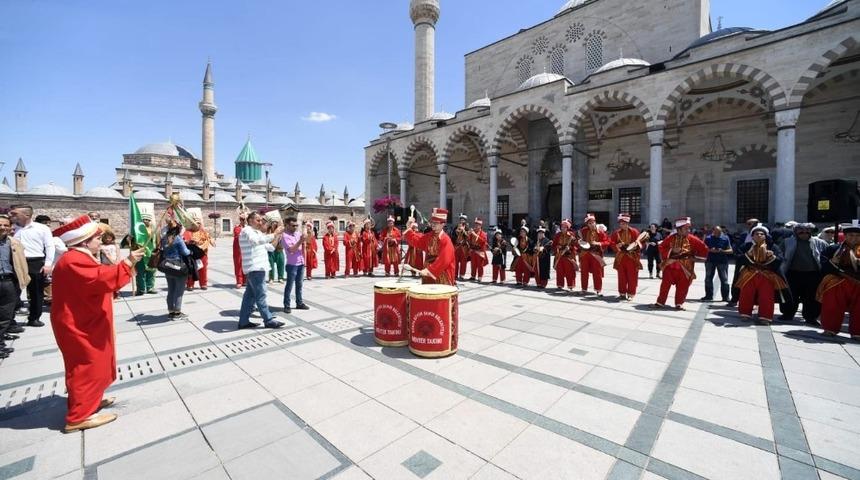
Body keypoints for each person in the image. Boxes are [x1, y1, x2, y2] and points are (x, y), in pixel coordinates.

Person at [51, 215, 144, 432]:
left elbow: (98, 277)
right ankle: (78, 416)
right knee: (86, 366)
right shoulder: (73, 260)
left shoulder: (79, 257)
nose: (100, 242)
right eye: (96, 238)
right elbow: (101, 278)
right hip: (79, 325)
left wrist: (128, 263)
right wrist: (129, 262)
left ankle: (90, 401)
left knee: (97, 363)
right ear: (84, 241)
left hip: (87, 321)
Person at [10, 205, 55, 327]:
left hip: (35, 262)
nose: (11, 215)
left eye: (14, 214)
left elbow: (50, 245)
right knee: (12, 292)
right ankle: (10, 320)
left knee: (36, 292)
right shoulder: (10, 227)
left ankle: (34, 317)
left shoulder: (42, 228)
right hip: (15, 261)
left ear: (26, 215)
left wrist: (48, 264)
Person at [238, 212, 284, 329]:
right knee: (261, 295)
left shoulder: (257, 233)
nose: (261, 223)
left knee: (250, 296)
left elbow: (271, 247)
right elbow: (256, 241)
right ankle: (268, 320)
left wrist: (277, 235)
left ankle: (243, 321)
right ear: (250, 220)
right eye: (258, 220)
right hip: (255, 268)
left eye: (261, 220)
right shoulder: (247, 231)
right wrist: (274, 233)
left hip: (259, 268)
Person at [735, 225, 789, 324]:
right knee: (746, 294)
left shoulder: (773, 247)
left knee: (767, 296)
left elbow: (780, 259)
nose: (759, 235)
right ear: (752, 236)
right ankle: (745, 314)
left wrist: (772, 256)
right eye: (756, 234)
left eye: (762, 234)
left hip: (767, 275)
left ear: (766, 236)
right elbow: (738, 258)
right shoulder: (746, 246)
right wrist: (748, 254)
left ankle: (765, 317)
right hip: (749, 274)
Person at [816, 221, 860, 340]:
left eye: (857, 236)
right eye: (851, 235)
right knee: (832, 304)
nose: (854, 238)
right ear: (845, 236)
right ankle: (830, 328)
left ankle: (857, 332)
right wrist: (833, 262)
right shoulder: (834, 249)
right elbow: (824, 263)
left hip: (858, 283)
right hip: (837, 280)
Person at [655, 217, 709, 310]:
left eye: (689, 228)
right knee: (665, 285)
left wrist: (695, 258)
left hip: (685, 268)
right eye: (686, 228)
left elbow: (704, 248)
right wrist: (672, 250)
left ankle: (679, 303)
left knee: (683, 286)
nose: (688, 230)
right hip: (670, 266)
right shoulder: (671, 238)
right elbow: (661, 247)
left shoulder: (692, 239)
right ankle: (660, 302)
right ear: (679, 229)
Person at [779, 222, 828, 325]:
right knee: (790, 295)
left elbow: (826, 257)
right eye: (801, 231)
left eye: (807, 231)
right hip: (793, 273)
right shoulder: (787, 242)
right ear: (796, 232)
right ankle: (787, 314)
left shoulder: (820, 243)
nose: (804, 233)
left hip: (813, 274)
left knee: (811, 297)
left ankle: (811, 317)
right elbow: (780, 255)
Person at [0, 215, 30, 359]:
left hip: (8, 282)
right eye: (0, 225)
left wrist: (23, 279)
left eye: (6, 225)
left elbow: (21, 262)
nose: (3, 228)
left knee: (6, 314)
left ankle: (1, 340)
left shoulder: (13, 243)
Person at [404, 208, 456, 285]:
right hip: (428, 272)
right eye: (432, 222)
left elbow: (444, 260)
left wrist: (430, 270)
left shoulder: (446, 240)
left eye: (436, 222)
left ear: (443, 224)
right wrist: (408, 227)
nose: (433, 224)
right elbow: (417, 240)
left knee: (439, 295)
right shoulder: (429, 236)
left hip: (441, 274)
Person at [160, 221, 191, 319]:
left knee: (171, 290)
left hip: (167, 266)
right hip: (178, 267)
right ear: (178, 229)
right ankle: (177, 312)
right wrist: (191, 250)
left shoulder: (164, 239)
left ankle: (171, 311)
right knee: (179, 291)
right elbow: (185, 252)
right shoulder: (178, 239)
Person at [609, 214, 642, 301]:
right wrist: (617, 246)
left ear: (628, 223)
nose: (622, 225)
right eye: (620, 223)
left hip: (632, 257)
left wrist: (633, 247)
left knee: (632, 276)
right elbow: (611, 242)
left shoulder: (634, 231)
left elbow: (640, 243)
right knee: (621, 276)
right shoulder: (616, 233)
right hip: (621, 257)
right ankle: (622, 293)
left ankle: (631, 294)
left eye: (623, 223)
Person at [282, 217, 311, 312]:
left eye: (296, 225)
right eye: (293, 225)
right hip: (292, 264)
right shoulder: (285, 236)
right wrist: (300, 241)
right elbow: (291, 250)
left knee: (299, 285)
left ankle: (299, 302)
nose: (295, 227)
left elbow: (308, 240)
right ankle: (287, 305)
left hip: (301, 263)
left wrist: (306, 230)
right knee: (289, 285)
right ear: (287, 225)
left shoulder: (297, 234)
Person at [579, 213, 610, 296]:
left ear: (595, 222)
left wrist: (598, 243)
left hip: (596, 254)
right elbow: (578, 239)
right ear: (587, 224)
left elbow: (607, 241)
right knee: (584, 272)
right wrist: (580, 242)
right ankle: (584, 289)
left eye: (592, 222)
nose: (591, 224)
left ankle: (598, 289)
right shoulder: (583, 231)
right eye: (589, 223)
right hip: (585, 253)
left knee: (597, 272)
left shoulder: (600, 231)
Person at [701, 226, 733, 302]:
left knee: (724, 280)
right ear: (713, 231)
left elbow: (731, 250)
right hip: (710, 261)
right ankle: (708, 296)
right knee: (708, 279)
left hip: (722, 261)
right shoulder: (708, 238)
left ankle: (725, 297)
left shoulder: (725, 238)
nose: (717, 234)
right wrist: (710, 250)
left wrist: (722, 251)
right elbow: (703, 249)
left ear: (721, 231)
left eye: (719, 232)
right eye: (716, 232)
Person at [184, 217, 215, 290]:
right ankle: (190, 284)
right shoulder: (187, 232)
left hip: (202, 253)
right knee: (190, 269)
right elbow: (184, 241)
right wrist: (190, 242)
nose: (197, 224)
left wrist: (209, 242)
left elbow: (209, 240)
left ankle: (203, 284)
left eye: (198, 223)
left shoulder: (204, 232)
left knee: (203, 269)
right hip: (191, 254)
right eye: (195, 223)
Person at [134, 214, 156, 295]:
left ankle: (150, 287)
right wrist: (129, 239)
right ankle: (141, 289)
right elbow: (128, 242)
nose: (145, 221)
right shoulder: (136, 229)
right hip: (140, 253)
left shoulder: (154, 230)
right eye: (144, 219)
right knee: (140, 272)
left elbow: (157, 241)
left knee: (151, 271)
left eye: (147, 219)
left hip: (151, 253)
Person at [553, 219, 578, 291]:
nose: (563, 228)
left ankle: (570, 285)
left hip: (569, 256)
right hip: (559, 255)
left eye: (565, 227)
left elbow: (576, 245)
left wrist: (570, 247)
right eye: (562, 227)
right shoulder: (558, 235)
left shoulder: (572, 235)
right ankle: (560, 285)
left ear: (568, 228)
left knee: (569, 271)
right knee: (559, 271)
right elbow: (554, 245)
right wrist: (558, 247)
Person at [454, 214, 470, 280]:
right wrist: (456, 231)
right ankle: (455, 274)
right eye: (461, 219)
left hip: (464, 247)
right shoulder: (456, 226)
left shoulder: (467, 227)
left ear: (465, 221)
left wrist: (464, 231)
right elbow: (453, 235)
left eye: (463, 219)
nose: (462, 220)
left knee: (463, 261)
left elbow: (468, 237)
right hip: (457, 246)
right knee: (456, 261)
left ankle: (462, 275)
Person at [232, 213, 247, 288]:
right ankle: (239, 281)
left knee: (246, 264)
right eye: (243, 220)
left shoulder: (249, 228)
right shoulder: (237, 228)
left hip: (246, 249)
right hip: (238, 250)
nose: (244, 221)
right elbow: (238, 235)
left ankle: (245, 280)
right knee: (238, 265)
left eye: (245, 220)